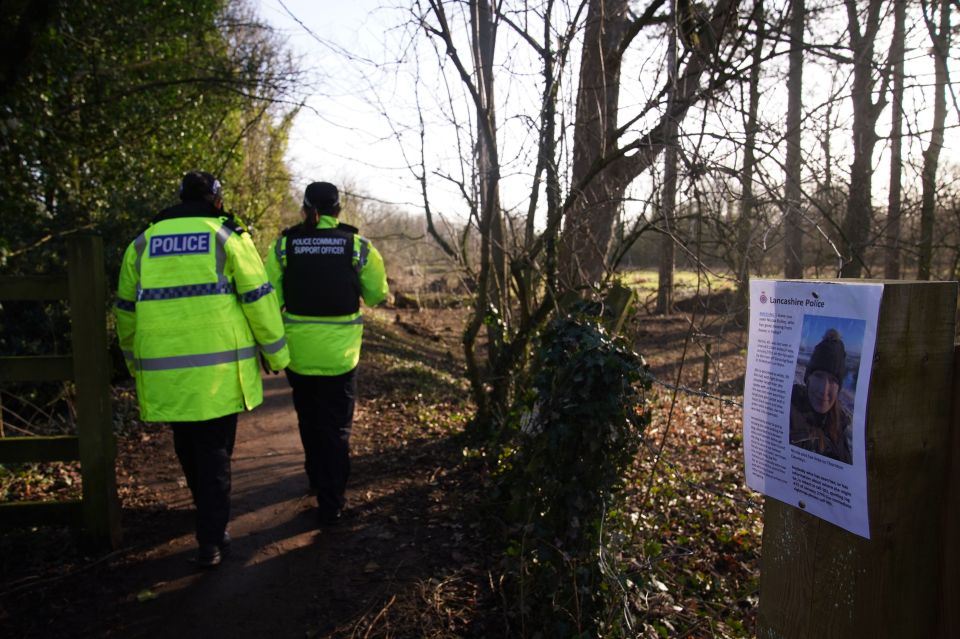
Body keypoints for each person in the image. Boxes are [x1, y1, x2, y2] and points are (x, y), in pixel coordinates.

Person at [115, 171, 289, 567]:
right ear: (216, 200)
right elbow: (259, 298)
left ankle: (209, 524)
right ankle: (211, 538)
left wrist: (133, 361)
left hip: (166, 371)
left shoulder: (142, 243)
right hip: (218, 372)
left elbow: (125, 310)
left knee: (189, 447)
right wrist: (276, 354)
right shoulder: (227, 236)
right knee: (215, 451)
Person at [266, 181, 389, 526]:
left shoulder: (284, 245)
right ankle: (331, 501)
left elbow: (268, 298)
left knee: (308, 418)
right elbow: (377, 295)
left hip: (299, 355)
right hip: (341, 357)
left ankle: (315, 476)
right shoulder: (358, 246)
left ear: (306, 210)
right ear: (338, 210)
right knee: (336, 428)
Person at [789, 328, 853, 464]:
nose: (824, 390)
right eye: (819, 376)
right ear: (808, 378)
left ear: (839, 387)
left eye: (833, 380)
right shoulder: (790, 411)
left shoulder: (840, 423)